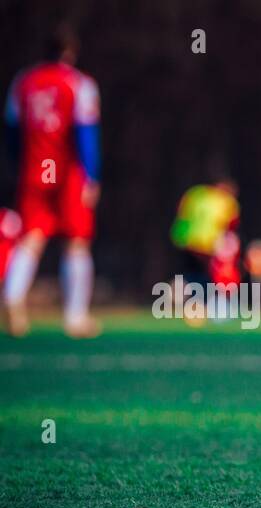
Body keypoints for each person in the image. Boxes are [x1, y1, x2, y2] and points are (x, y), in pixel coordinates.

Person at [2, 26, 101, 338]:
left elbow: (12, 130)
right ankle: (75, 317)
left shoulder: (23, 82)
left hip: (36, 168)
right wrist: (91, 175)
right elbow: (85, 132)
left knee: (31, 238)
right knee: (76, 242)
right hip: (68, 172)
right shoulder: (79, 84)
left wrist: (22, 161)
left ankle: (12, 295)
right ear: (70, 53)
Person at [169, 178, 241, 325]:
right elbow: (231, 225)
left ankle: (182, 299)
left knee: (190, 274)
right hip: (208, 243)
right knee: (215, 275)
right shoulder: (227, 201)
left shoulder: (195, 193)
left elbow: (181, 211)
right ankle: (213, 306)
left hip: (185, 240)